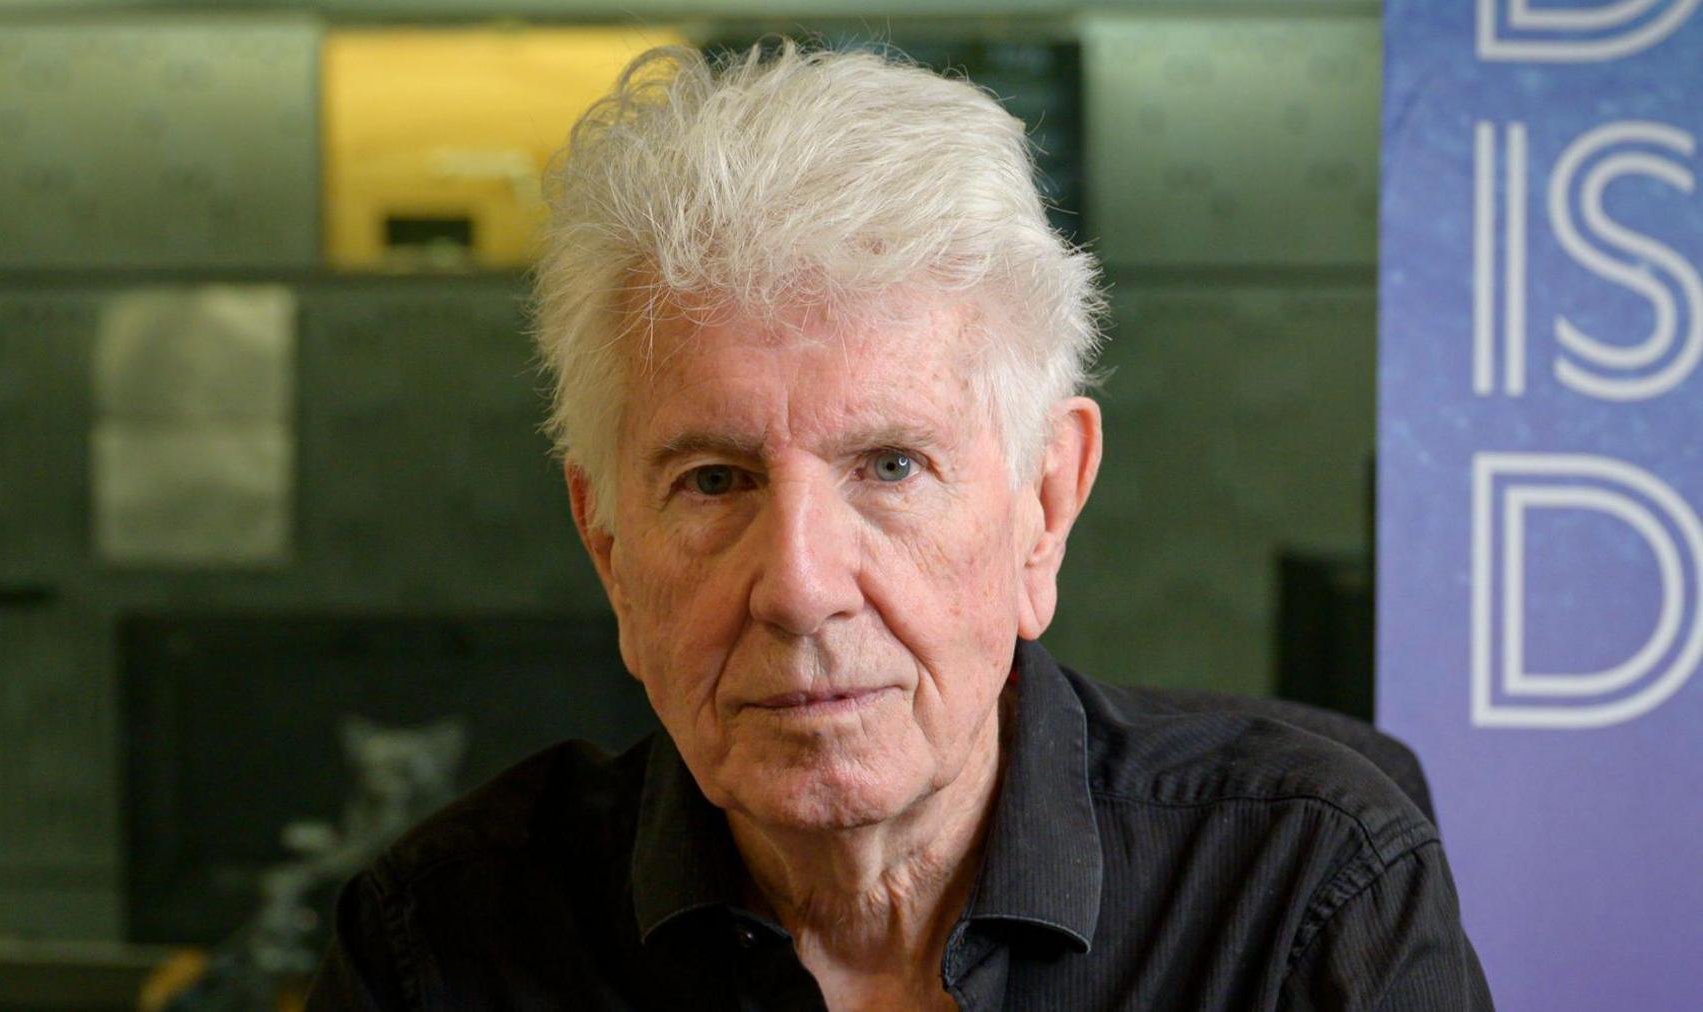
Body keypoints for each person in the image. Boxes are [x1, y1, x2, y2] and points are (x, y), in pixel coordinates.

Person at [306, 40, 1492, 1010]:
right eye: (715, 482)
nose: (801, 586)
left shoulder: (1301, 891)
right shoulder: (442, 947)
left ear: (1044, 506)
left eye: (888, 464)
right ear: (608, 546)